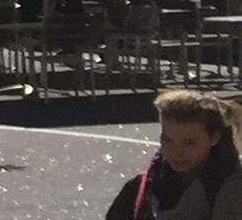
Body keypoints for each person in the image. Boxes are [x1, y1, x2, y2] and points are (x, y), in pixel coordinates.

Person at [104, 90, 242, 219]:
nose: (176, 152)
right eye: (168, 140)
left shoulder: (232, 191)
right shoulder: (142, 188)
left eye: (190, 143)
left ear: (214, 138)